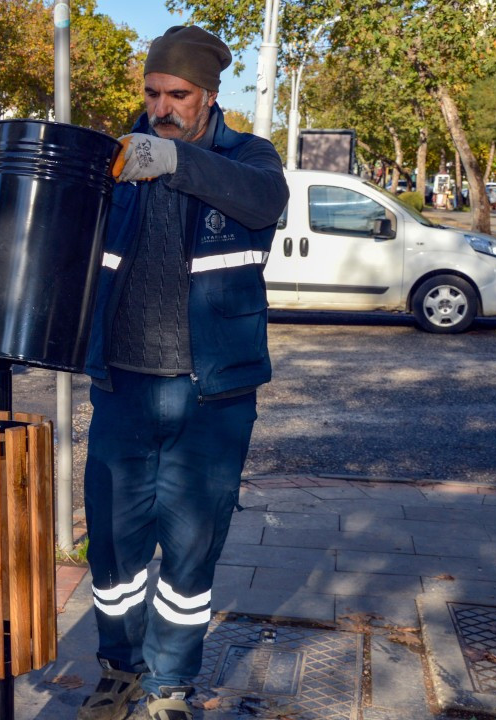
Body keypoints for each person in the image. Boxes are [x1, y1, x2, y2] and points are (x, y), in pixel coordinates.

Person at [77, 25, 289, 720]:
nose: (161, 105)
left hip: (212, 395)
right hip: (122, 385)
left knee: (192, 552)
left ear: (209, 95)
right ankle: (120, 669)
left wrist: (172, 160)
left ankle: (170, 683)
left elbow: (264, 203)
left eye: (178, 94)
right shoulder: (114, 159)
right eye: (152, 93)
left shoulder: (248, 156)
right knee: (113, 546)